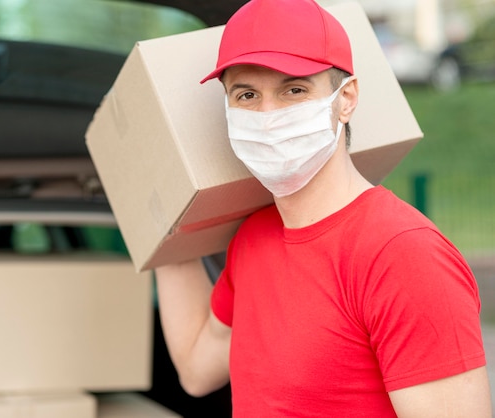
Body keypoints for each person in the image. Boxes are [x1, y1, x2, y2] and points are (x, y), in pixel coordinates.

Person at [154, 0, 492, 416]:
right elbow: (195, 370)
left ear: (345, 98)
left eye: (293, 90)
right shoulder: (253, 238)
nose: (268, 115)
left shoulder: (404, 256)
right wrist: (161, 210)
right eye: (246, 94)